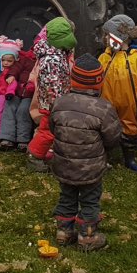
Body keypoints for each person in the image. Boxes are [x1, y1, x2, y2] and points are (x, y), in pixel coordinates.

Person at [49, 53, 123, 253]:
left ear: (72, 79)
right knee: (90, 200)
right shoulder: (104, 108)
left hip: (63, 164)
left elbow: (52, 127)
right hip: (90, 170)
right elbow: (113, 137)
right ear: (99, 82)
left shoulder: (60, 102)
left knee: (67, 196)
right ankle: (87, 236)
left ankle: (64, 231)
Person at [98, 14, 137, 174]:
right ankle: (103, 157)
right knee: (104, 130)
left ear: (119, 36)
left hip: (129, 105)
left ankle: (129, 158)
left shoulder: (136, 59)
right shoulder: (105, 57)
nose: (106, 38)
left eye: (109, 35)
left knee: (130, 129)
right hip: (106, 105)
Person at [26, 17, 76, 169]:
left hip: (55, 102)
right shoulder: (52, 59)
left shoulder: (57, 53)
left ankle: (51, 154)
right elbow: (52, 84)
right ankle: (34, 156)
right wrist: (57, 104)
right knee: (47, 131)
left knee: (51, 130)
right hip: (52, 104)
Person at [0, 36, 36, 151]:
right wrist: (11, 75)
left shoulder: (41, 62)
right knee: (9, 107)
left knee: (23, 111)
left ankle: (23, 140)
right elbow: (16, 67)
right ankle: (7, 138)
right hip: (17, 91)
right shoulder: (25, 59)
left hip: (29, 93)